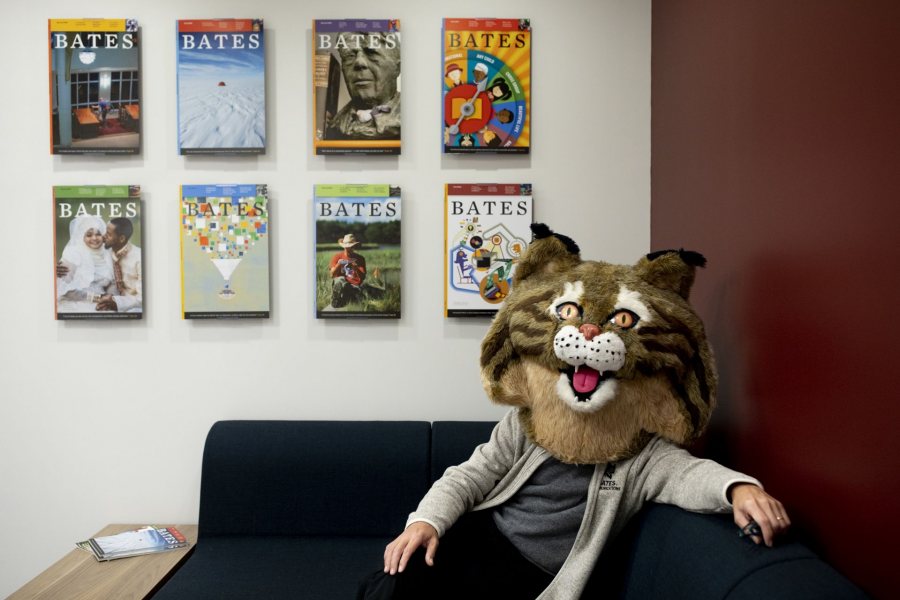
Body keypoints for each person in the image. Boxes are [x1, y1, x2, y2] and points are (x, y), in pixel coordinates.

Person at [358, 225, 791, 600]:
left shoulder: (639, 453)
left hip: (534, 572)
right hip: (484, 532)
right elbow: (470, 475)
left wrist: (738, 489)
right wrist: (427, 521)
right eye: (570, 314)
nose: (588, 332)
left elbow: (686, 475)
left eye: (618, 320)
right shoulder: (529, 423)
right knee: (399, 578)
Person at [325, 32, 401, 140]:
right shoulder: (333, 125)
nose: (359, 63)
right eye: (349, 56)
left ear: (397, 68)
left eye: (372, 53)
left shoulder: (413, 118)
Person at [56, 215, 115, 313]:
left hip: (103, 303)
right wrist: (98, 298)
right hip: (77, 303)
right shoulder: (72, 254)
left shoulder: (107, 254)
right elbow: (66, 292)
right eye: (89, 235)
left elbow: (111, 283)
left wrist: (112, 299)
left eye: (98, 234)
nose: (94, 238)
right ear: (81, 236)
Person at [95, 217, 142, 313]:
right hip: (108, 298)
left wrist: (117, 302)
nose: (104, 236)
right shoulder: (105, 252)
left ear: (121, 238)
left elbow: (142, 297)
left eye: (108, 234)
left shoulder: (138, 258)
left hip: (134, 307)